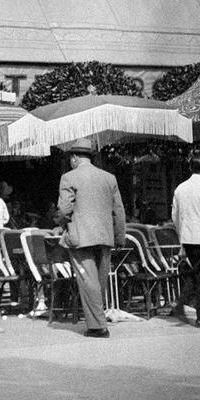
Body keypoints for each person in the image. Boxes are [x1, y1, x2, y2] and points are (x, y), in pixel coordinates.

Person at [54, 137, 126, 338]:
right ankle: (97, 320)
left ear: (75, 157)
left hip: (80, 236)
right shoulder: (109, 177)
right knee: (99, 281)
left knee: (88, 280)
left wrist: (62, 223)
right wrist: (120, 237)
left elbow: (64, 209)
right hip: (105, 235)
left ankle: (97, 326)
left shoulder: (69, 178)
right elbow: (118, 211)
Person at [171, 151, 200, 327]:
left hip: (188, 237)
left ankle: (181, 304)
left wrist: (181, 236)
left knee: (198, 274)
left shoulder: (180, 188)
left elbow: (174, 216)